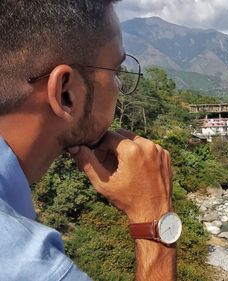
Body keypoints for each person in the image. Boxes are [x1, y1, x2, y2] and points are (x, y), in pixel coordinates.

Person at [0, 1, 177, 280]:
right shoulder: (30, 267)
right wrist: (155, 217)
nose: (119, 87)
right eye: (115, 72)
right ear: (65, 93)